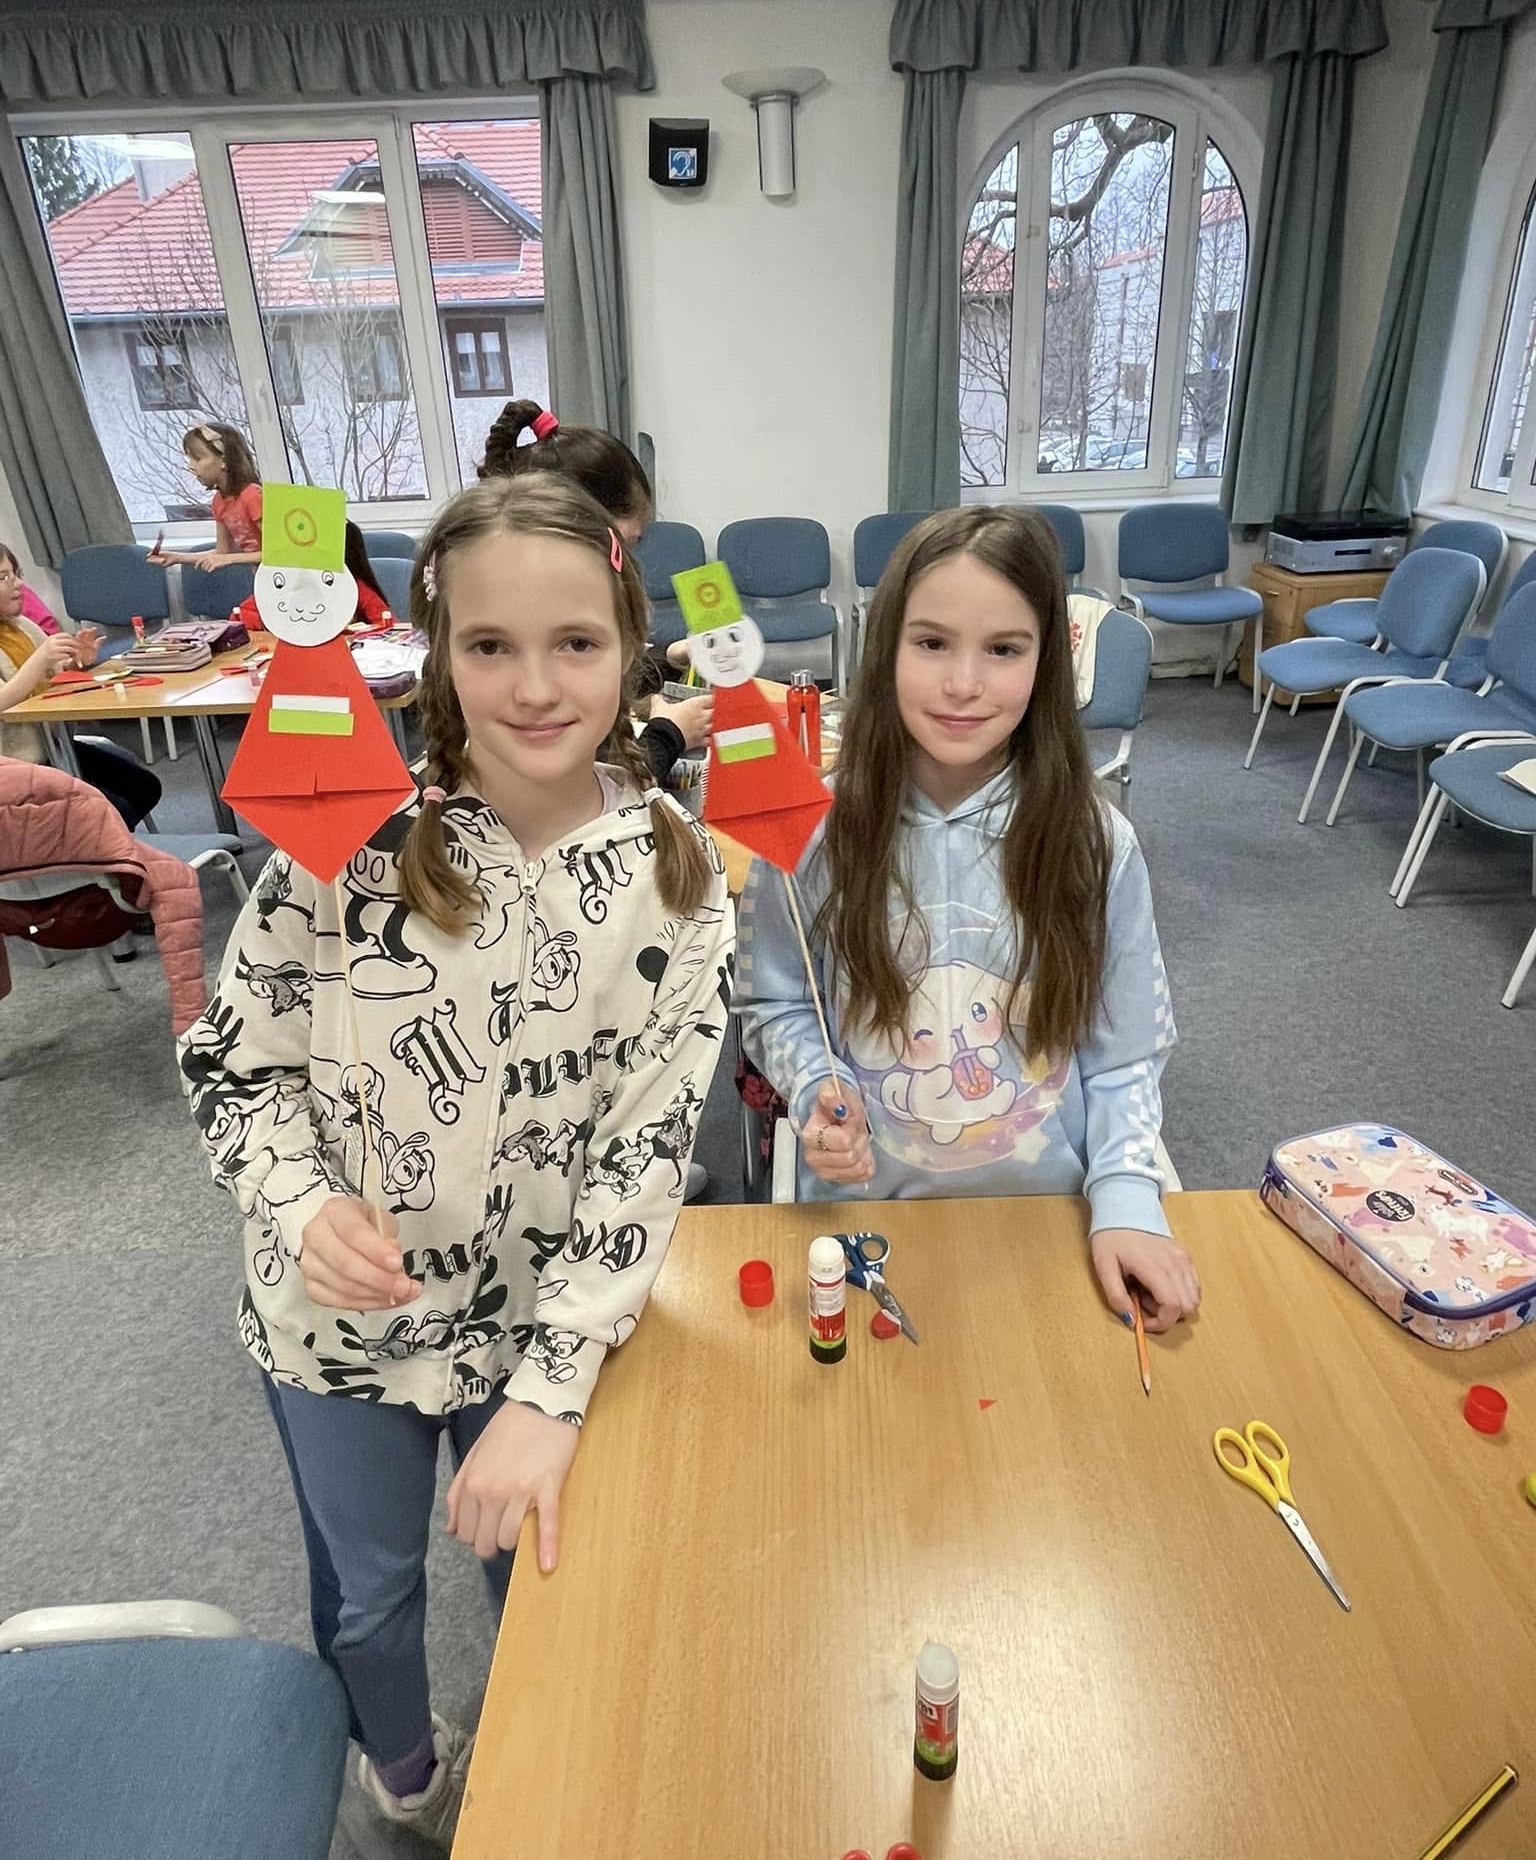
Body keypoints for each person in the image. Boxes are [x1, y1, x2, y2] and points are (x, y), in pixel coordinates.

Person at [177, 472, 734, 1849]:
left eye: (576, 642)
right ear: (441, 654)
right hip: (335, 1330)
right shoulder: (349, 841)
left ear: (631, 644)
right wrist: (302, 1203)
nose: (535, 686)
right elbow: (233, 1063)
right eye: (491, 644)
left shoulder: (677, 877)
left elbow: (645, 1157)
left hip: (534, 1321)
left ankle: (536, 1756)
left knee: (534, 1562)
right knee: (370, 1592)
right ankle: (405, 1775)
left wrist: (554, 1385)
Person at [735, 505, 1201, 1336]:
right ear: (887, 648)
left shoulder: (1096, 843)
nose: (963, 683)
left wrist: (1128, 1197)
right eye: (932, 643)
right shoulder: (813, 831)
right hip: (865, 1217)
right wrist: (815, 1084)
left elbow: (1128, 1051)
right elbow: (776, 1001)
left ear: (1045, 662)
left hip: (1050, 1217)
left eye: (1004, 650)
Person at [480, 398, 711, 781]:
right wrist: (671, 733)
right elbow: (600, 787)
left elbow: (598, 675)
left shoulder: (531, 606)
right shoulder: (540, 630)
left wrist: (669, 658)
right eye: (628, 544)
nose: (627, 564)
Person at [0, 543, 162, 831]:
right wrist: (40, 659)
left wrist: (77, 663)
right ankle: (97, 850)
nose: (18, 584)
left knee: (145, 787)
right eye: (3, 577)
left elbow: (52, 676)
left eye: (16, 574)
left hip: (55, 747)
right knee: (113, 811)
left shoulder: (21, 625)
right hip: (16, 766)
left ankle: (104, 848)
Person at [235, 522, 392, 634]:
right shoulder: (291, 583)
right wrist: (273, 621)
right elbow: (240, 616)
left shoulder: (355, 587)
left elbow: (387, 623)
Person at [149, 422, 265, 573]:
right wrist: (177, 557)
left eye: (197, 459)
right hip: (262, 579)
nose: (191, 466)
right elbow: (222, 552)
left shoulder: (252, 495)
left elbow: (280, 552)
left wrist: (229, 559)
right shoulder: (219, 501)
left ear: (224, 461)